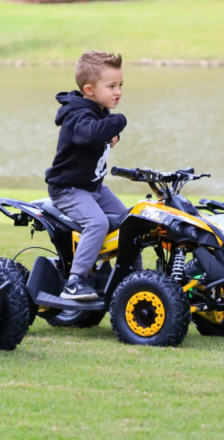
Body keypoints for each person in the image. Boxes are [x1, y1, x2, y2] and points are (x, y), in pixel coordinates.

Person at [45, 50, 142, 300]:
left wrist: (111, 134)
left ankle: (134, 277)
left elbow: (97, 133)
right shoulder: (78, 113)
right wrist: (117, 123)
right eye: (111, 86)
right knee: (97, 223)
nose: (118, 91)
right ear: (89, 89)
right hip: (68, 189)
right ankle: (75, 281)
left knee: (132, 223)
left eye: (120, 85)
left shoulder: (98, 110)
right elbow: (87, 133)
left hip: (94, 188)